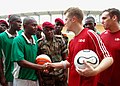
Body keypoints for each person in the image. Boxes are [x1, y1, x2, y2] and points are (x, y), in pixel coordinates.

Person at [45, 7, 113, 86]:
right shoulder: (72, 41)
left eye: (66, 19)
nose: (65, 23)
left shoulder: (90, 34)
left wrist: (95, 71)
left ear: (73, 19)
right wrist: (53, 65)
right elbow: (69, 62)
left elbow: (108, 58)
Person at [11, 17, 46, 86]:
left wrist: (39, 77)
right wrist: (40, 67)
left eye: (36, 25)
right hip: (22, 78)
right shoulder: (18, 40)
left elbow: (35, 59)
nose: (36, 27)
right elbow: (21, 62)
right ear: (25, 26)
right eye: (33, 25)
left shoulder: (35, 38)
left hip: (34, 78)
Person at [37, 21, 68, 86]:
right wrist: (40, 78)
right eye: (46, 30)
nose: (49, 32)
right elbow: (37, 61)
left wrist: (65, 72)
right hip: (47, 76)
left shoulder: (60, 40)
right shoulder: (40, 43)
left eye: (51, 29)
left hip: (60, 74)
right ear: (43, 31)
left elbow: (65, 57)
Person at [98, 8, 120, 86]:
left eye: (104, 18)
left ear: (114, 18)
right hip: (100, 81)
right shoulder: (102, 35)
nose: (102, 21)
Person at [0, 14, 22, 86]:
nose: (20, 24)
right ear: (10, 22)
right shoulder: (1, 37)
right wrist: (2, 77)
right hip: (8, 74)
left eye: (20, 22)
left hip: (20, 74)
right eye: (18, 22)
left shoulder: (21, 36)